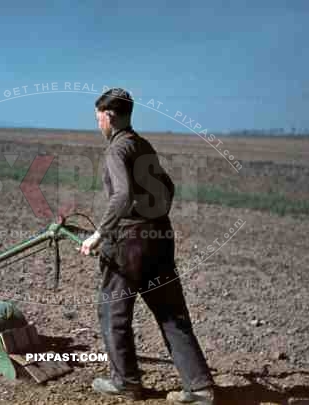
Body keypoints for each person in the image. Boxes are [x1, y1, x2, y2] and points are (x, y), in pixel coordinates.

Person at [79, 88, 215, 404]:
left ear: (108, 116)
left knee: (113, 311)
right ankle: (200, 388)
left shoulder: (116, 150)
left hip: (128, 244)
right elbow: (168, 186)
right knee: (171, 313)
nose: (97, 123)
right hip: (159, 239)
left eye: (98, 117)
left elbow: (122, 195)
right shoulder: (143, 145)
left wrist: (100, 234)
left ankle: (126, 383)